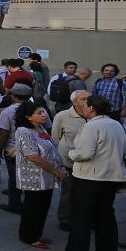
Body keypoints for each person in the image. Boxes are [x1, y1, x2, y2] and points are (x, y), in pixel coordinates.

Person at [48, 95, 126, 251]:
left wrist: (71, 153)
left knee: (81, 218)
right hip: (112, 178)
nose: (83, 108)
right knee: (105, 216)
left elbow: (84, 153)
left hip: (90, 178)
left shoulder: (91, 126)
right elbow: (124, 151)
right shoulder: (117, 124)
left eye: (85, 106)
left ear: (91, 108)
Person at [14, 101, 66, 249]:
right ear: (28, 117)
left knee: (43, 207)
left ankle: (37, 233)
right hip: (34, 177)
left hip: (46, 176)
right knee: (33, 208)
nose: (44, 115)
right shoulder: (24, 131)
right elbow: (33, 156)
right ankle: (29, 237)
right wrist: (56, 171)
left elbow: (52, 148)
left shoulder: (40, 128)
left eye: (44, 112)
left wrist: (60, 167)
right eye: (39, 113)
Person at [51, 90, 89, 232]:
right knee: (68, 192)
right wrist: (58, 162)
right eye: (83, 99)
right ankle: (65, 218)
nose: (87, 101)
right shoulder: (63, 116)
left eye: (89, 98)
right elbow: (55, 138)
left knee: (85, 193)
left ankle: (84, 218)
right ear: (74, 101)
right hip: (68, 161)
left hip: (89, 162)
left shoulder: (94, 115)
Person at [0, 83, 32, 213]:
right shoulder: (38, 109)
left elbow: (4, 133)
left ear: (14, 96)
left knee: (14, 177)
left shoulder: (8, 111)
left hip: (13, 150)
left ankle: (14, 204)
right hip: (32, 148)